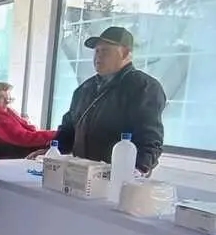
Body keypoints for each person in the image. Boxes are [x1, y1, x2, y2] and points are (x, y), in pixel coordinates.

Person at [29, 27, 166, 174]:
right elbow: (69, 127)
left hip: (117, 177)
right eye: (97, 51)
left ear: (125, 53)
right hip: (80, 175)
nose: (98, 57)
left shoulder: (142, 87)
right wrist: (52, 152)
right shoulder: (85, 89)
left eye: (105, 51)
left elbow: (150, 137)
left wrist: (139, 169)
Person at [0, 82, 57, 158]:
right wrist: (55, 134)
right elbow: (24, 138)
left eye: (9, 98)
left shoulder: (7, 111)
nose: (7, 102)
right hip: (17, 154)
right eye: (2, 98)